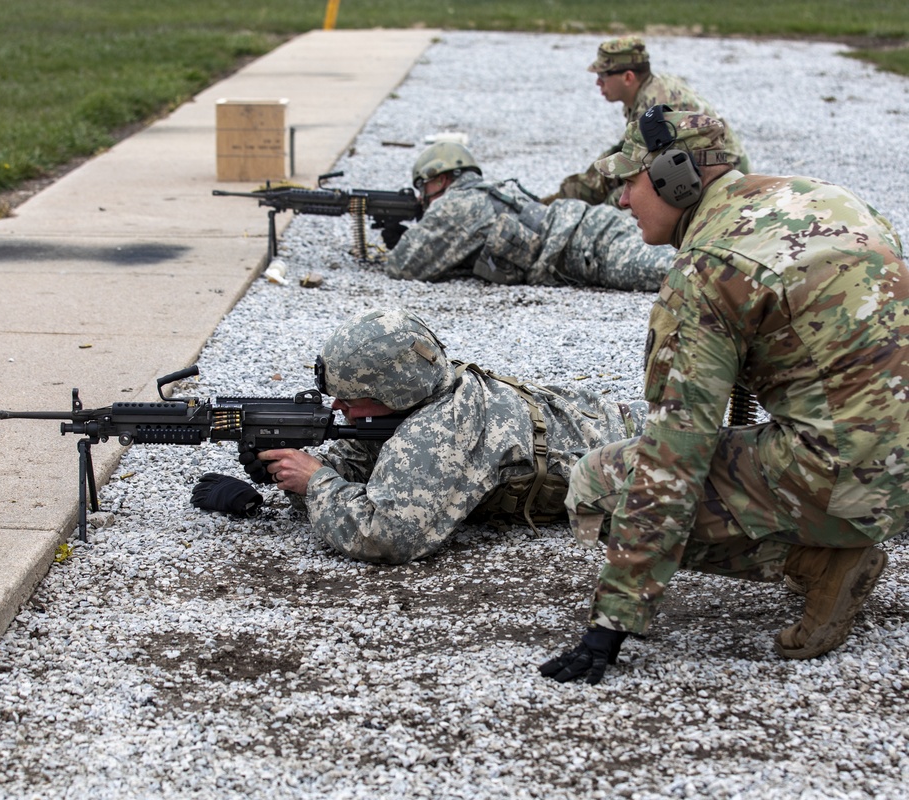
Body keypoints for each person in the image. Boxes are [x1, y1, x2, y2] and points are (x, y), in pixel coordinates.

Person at [540, 105, 909, 686]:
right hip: (896, 468)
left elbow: (673, 457)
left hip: (856, 483)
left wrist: (612, 623)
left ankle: (820, 561)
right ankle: (835, 538)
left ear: (675, 175)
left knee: (597, 487)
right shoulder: (826, 198)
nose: (621, 201)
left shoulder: (709, 269)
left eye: (630, 180)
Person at [194, 308, 650, 563]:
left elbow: (386, 535)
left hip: (646, 466)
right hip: (621, 423)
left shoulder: (440, 429)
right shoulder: (426, 387)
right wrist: (286, 470)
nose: (339, 407)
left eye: (352, 397)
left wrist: (316, 482)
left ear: (392, 390)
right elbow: (364, 458)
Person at [381, 142, 672, 292]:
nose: (422, 197)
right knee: (691, 258)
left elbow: (403, 267)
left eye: (424, 186)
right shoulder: (486, 192)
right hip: (592, 228)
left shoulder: (457, 204)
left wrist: (400, 239)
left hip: (590, 247)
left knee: (686, 274)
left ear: (441, 179)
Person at [543, 35, 750, 207]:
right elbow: (624, 154)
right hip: (699, 167)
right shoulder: (648, 90)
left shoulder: (652, 107)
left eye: (604, 75)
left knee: (617, 206)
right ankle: (560, 202)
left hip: (720, 181)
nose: (598, 82)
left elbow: (647, 174)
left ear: (628, 77)